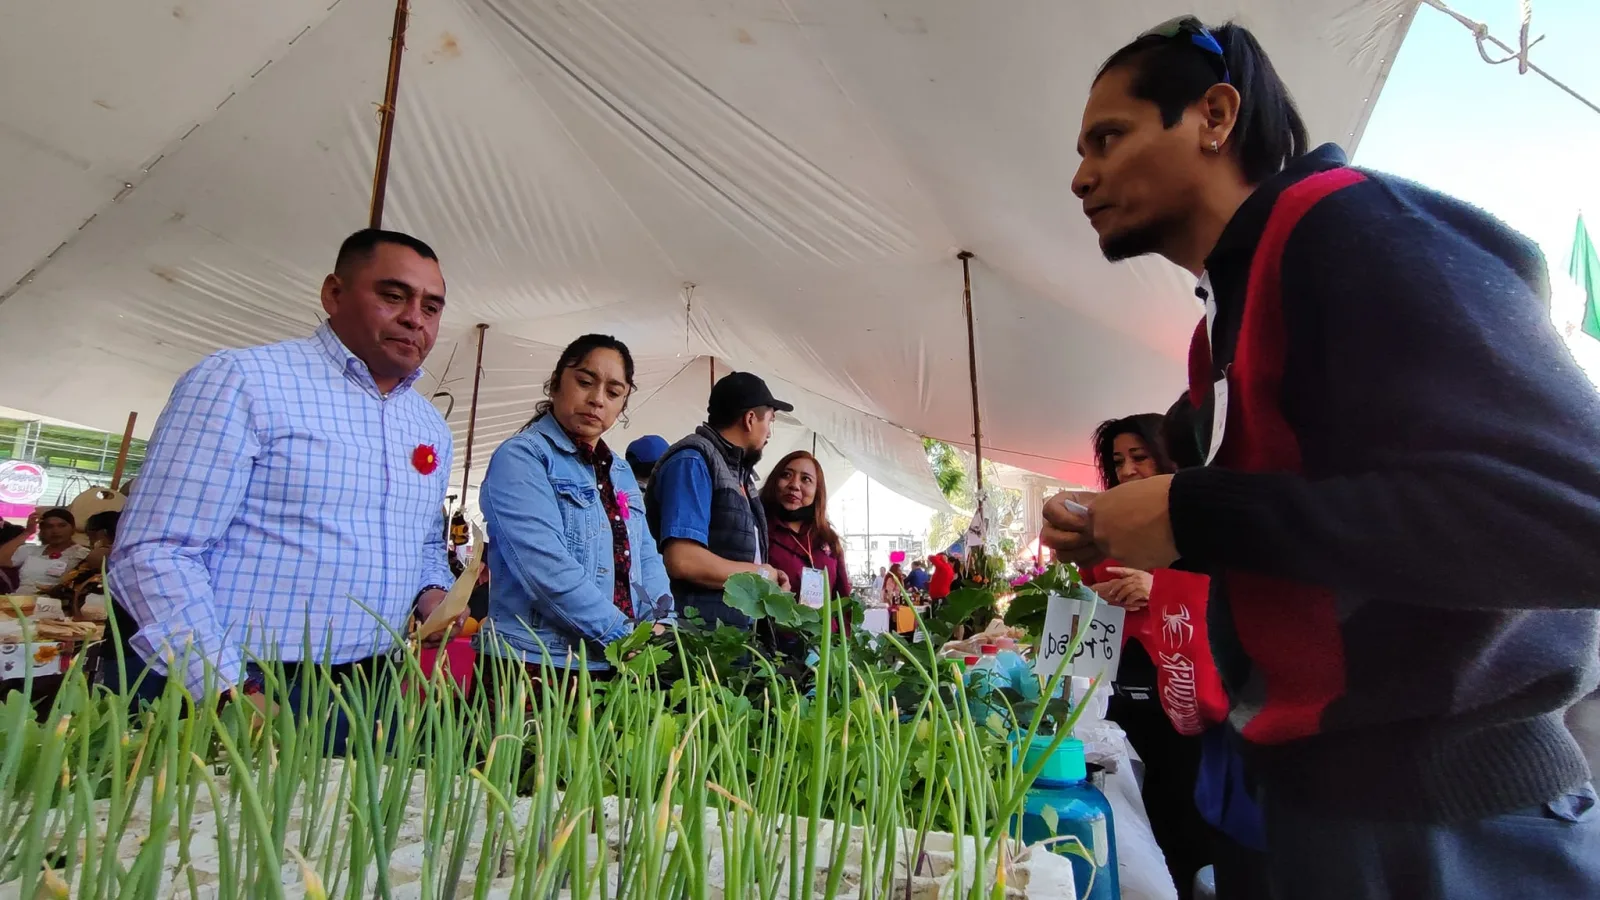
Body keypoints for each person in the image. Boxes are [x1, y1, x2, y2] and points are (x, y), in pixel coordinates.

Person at [1046, 17, 1600, 899]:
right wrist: (1157, 531)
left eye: (1108, 138)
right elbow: (1324, 534)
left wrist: (1196, 513)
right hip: (1324, 810)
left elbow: (1573, 516)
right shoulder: (1222, 322)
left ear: (1215, 115)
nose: (1081, 176)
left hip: (1450, 824)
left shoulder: (1350, 228)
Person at [108, 229, 458, 735]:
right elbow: (154, 550)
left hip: (371, 685)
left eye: (432, 307)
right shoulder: (243, 381)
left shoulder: (429, 426)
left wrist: (431, 591)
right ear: (334, 294)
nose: (414, 318)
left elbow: (425, 540)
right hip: (244, 679)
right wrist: (225, 686)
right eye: (392, 295)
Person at [1080, 413, 1231, 900]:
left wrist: (1160, 588)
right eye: (1118, 461)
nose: (1127, 471)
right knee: (1145, 819)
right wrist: (1100, 592)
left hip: (1189, 702)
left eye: (1139, 457)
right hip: (1129, 695)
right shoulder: (1112, 531)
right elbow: (1090, 594)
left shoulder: (1208, 522)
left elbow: (1230, 597)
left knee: (1189, 824)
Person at [477, 334, 673, 679]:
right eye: (585, 382)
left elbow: (645, 555)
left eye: (613, 393)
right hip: (536, 661)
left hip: (614, 661)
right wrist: (624, 638)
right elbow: (545, 569)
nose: (597, 400)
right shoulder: (523, 457)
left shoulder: (621, 471)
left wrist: (662, 622)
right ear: (555, 384)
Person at [646, 372, 792, 628]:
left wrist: (768, 577)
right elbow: (683, 560)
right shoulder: (692, 461)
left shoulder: (738, 473)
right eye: (770, 420)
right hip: (699, 635)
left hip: (728, 633)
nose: (770, 432)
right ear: (749, 419)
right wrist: (759, 574)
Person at [759, 450, 851, 603]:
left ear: (817, 491)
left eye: (806, 479)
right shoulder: (759, 531)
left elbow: (843, 600)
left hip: (825, 627)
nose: (794, 485)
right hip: (775, 626)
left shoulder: (828, 539)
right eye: (786, 475)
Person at [1, 508, 88, 595]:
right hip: (20, 601)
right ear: (42, 530)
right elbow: (2, 560)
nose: (55, 531)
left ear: (73, 529)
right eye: (49, 526)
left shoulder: (82, 554)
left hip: (54, 604)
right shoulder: (30, 550)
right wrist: (28, 532)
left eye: (62, 525)